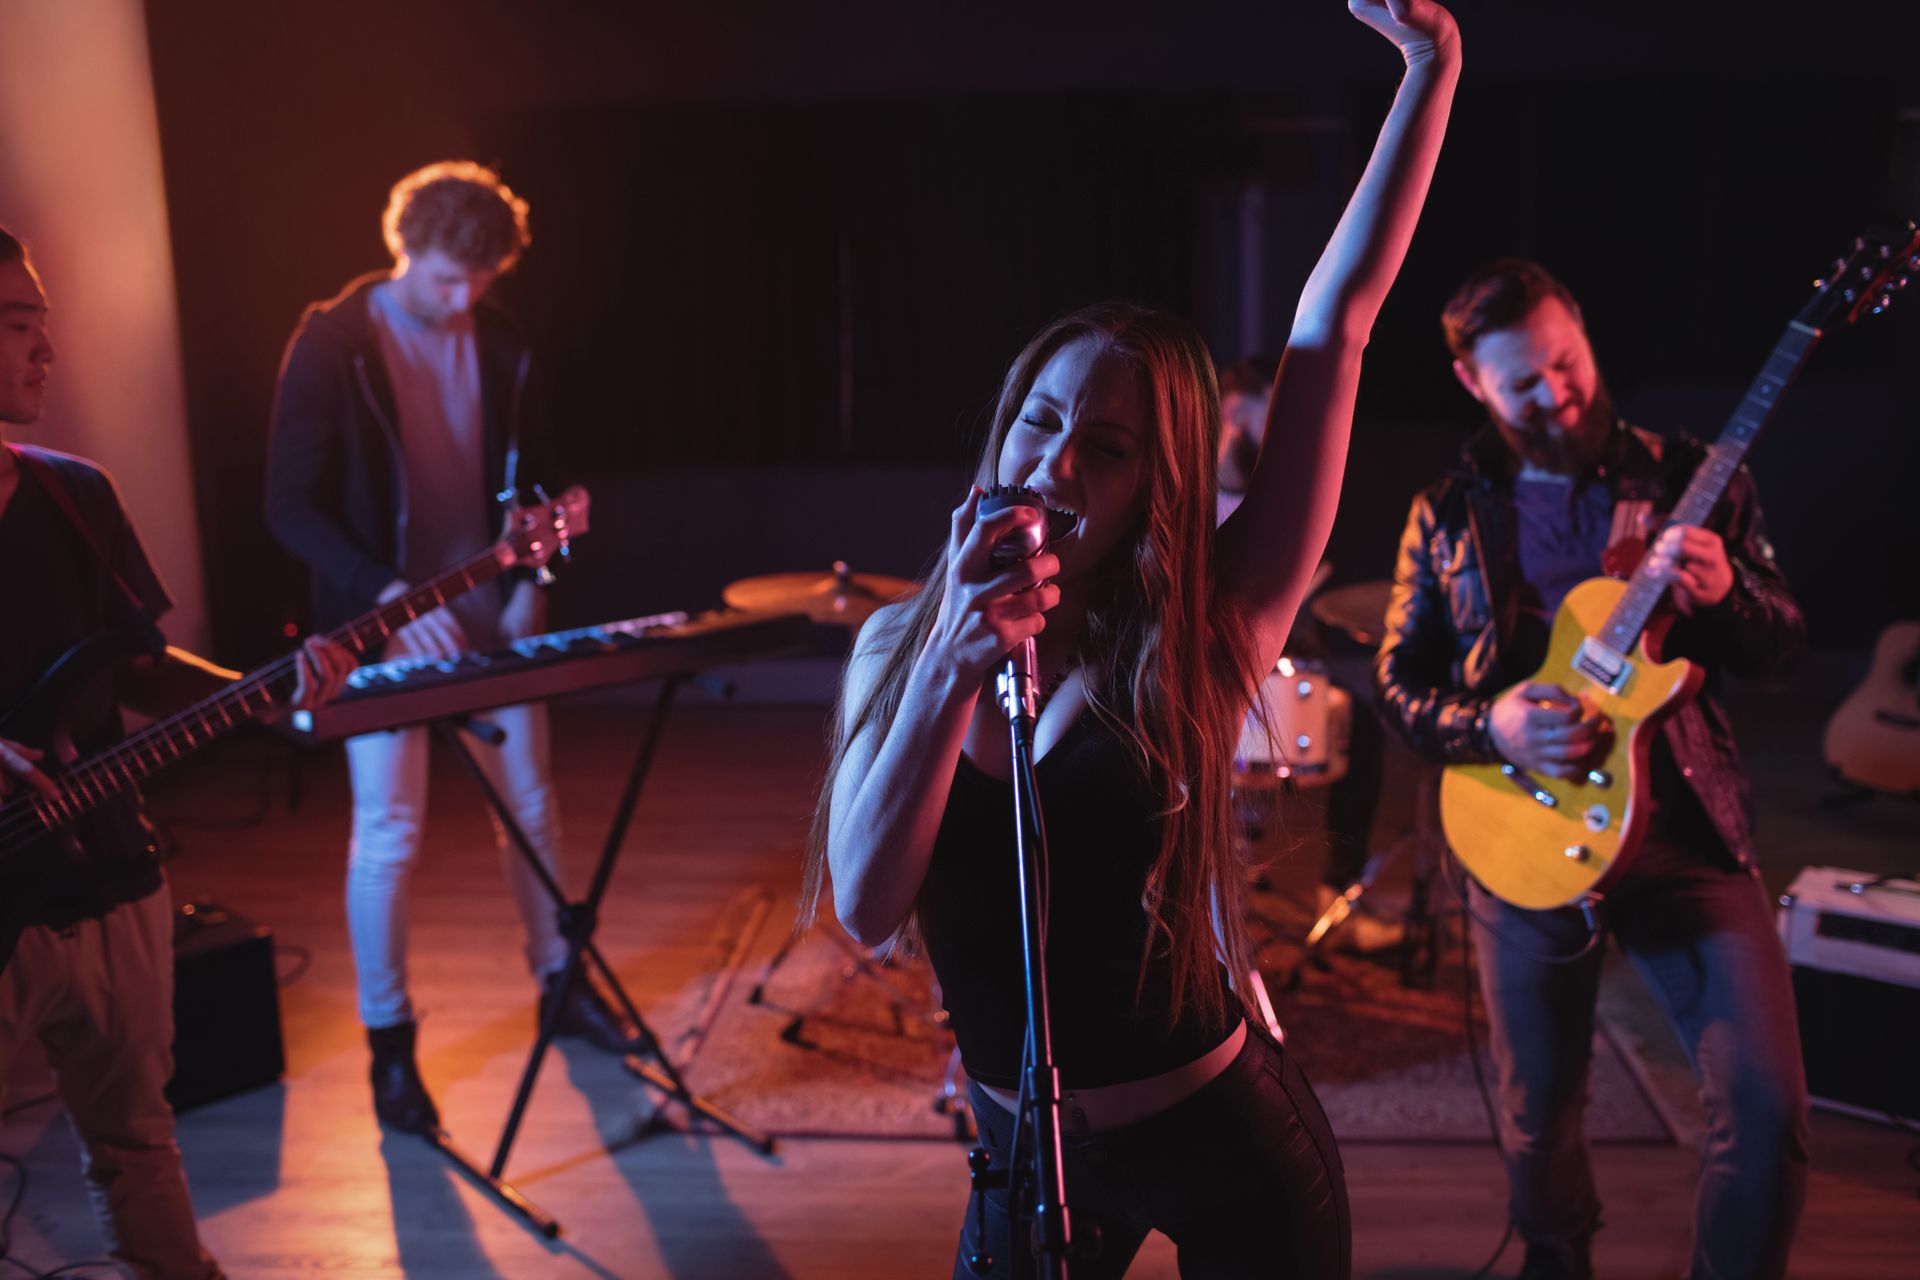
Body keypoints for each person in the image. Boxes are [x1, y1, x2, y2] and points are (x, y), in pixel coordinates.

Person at [801, 3, 1460, 1274]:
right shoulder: (899, 645)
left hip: (1225, 1139)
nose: (1055, 462)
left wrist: (1432, 68)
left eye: (1104, 447)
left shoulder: (1209, 633)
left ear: (1154, 483)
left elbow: (1339, 326)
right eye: (1039, 422)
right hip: (1022, 1154)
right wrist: (953, 661)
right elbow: (872, 907)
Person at [1374, 257, 1810, 1279]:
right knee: (1538, 1119)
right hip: (1517, 829)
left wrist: (1725, 595)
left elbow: (1783, 646)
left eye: (1567, 363)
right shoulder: (1445, 511)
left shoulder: (1692, 475)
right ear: (1474, 385)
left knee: (1767, 1104)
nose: (1557, 393)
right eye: (1523, 380)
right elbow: (1399, 683)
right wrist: (1495, 726)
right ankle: (1556, 1263)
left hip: (1684, 835)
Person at [0, 227, 352, 1279]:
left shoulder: (76, 493)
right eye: (19, 325)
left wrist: (265, 690)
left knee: (138, 1144)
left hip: (112, 874)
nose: (47, 349)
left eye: (45, 325)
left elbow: (139, 665)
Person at [265, 161, 637, 1136]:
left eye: (478, 282)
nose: (460, 298)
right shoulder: (333, 340)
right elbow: (288, 505)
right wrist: (387, 598)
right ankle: (390, 1048)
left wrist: (529, 585)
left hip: (488, 620)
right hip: (379, 627)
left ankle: (563, 987)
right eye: (443, 280)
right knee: (389, 832)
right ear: (403, 252)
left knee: (535, 807)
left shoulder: (504, 338)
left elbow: (542, 483)